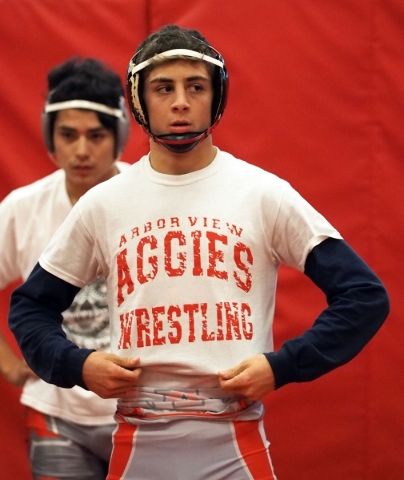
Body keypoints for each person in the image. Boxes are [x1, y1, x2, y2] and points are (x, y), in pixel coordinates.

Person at [9, 25, 389, 480]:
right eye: (163, 88)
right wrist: (78, 365)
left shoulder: (264, 194)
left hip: (233, 437)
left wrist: (283, 366)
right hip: (138, 438)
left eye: (196, 86)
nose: (181, 102)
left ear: (218, 96)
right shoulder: (105, 204)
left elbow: (364, 296)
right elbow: (30, 306)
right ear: (139, 100)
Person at [1, 56, 131, 480]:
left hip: (143, 414)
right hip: (57, 414)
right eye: (68, 135)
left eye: (95, 135)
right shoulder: (23, 209)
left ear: (119, 136)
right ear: (49, 138)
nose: (80, 150)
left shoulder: (150, 199)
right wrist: (8, 362)